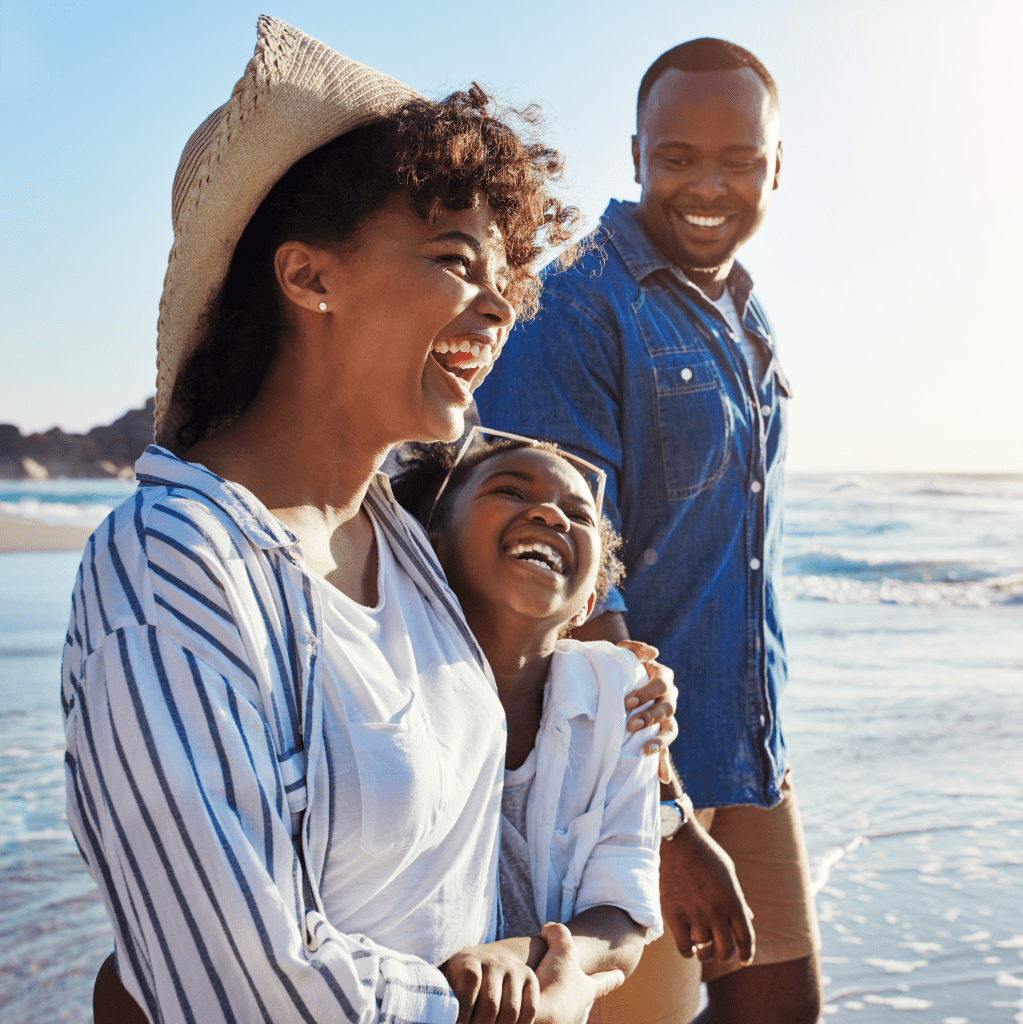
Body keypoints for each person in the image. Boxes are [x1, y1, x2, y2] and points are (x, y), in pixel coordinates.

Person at [63, 17, 677, 1024]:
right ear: (309, 276)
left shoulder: (403, 540)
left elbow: (469, 819)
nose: (500, 308)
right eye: (454, 259)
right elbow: (239, 985)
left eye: (504, 277)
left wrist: (614, 694)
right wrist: (508, 1011)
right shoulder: (173, 567)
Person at [477, 38, 822, 1024]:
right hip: (624, 775)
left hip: (749, 750)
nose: (709, 185)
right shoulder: (579, 304)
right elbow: (563, 582)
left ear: (775, 165)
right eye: (678, 158)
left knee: (782, 1011)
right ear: (635, 154)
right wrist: (665, 816)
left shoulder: (744, 314)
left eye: (740, 160)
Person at [393, 431, 665, 1020]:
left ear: (590, 600)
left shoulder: (626, 697)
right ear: (431, 547)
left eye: (579, 514)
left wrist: (527, 954)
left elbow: (624, 914)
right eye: (511, 490)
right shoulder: (385, 687)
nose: (549, 514)